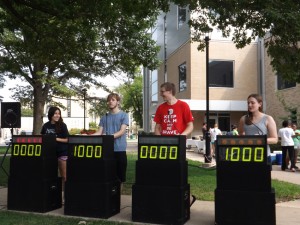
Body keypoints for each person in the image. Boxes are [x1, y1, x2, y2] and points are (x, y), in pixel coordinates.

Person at [153, 82, 196, 206]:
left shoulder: (183, 105)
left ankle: (186, 199)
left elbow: (190, 125)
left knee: (180, 173)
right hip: (165, 146)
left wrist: (181, 136)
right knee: (165, 173)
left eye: (162, 92)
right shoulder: (161, 108)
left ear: (170, 91)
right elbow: (158, 127)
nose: (161, 94)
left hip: (179, 145)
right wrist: (158, 141)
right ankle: (168, 199)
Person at [93, 93, 129, 188]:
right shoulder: (104, 117)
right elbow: (99, 132)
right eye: (109, 100)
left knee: (120, 178)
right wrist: (86, 136)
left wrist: (108, 137)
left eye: (113, 100)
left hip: (120, 150)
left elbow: (121, 131)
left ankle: (119, 200)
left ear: (118, 102)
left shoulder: (124, 115)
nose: (110, 102)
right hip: (107, 151)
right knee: (108, 177)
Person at [41, 106, 69, 187]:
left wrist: (55, 139)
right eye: (55, 113)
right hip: (50, 154)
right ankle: (52, 197)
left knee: (64, 176)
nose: (57, 115)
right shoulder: (46, 126)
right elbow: (42, 137)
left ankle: (65, 197)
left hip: (62, 153)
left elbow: (67, 140)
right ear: (51, 114)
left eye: (59, 114)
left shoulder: (63, 125)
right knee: (50, 177)